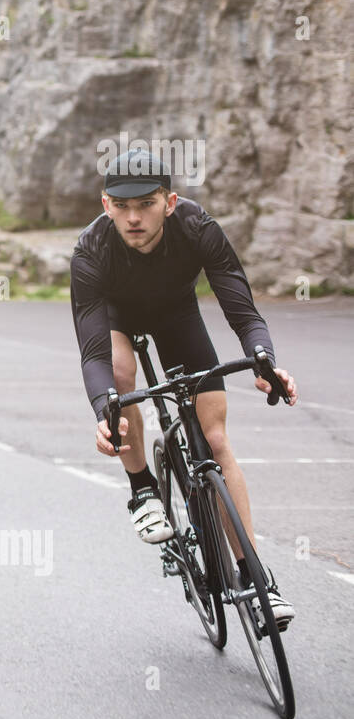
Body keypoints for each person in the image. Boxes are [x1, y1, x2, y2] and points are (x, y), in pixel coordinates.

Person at [69, 148, 298, 627]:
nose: (133, 218)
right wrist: (101, 413)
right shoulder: (91, 249)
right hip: (115, 319)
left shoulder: (197, 226)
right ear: (105, 204)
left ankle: (257, 581)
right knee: (120, 375)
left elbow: (242, 309)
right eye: (121, 205)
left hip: (177, 315)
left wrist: (265, 363)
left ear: (170, 202)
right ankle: (142, 489)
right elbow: (93, 356)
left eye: (147, 204)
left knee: (215, 442)